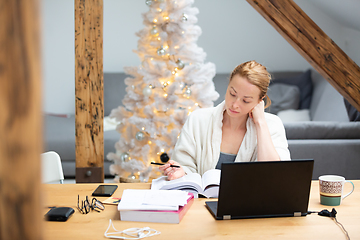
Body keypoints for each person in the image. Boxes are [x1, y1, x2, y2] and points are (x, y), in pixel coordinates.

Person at [160, 60, 291, 180]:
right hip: (200, 203)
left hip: (250, 205)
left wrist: (261, 124)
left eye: (246, 100)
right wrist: (181, 172)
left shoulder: (272, 125)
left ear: (259, 100)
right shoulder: (198, 120)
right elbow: (184, 166)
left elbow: (274, 175)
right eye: (232, 94)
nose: (234, 104)